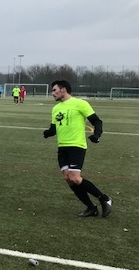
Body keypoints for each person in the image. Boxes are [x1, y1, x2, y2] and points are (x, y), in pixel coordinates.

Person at [43, 80, 112, 218]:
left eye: (54, 90)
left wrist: (97, 135)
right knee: (68, 178)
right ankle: (91, 208)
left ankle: (104, 199)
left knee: (75, 177)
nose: (52, 93)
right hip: (62, 147)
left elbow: (97, 121)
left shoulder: (80, 103)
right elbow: (54, 128)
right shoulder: (56, 108)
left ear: (63, 89)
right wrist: (48, 133)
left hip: (76, 146)